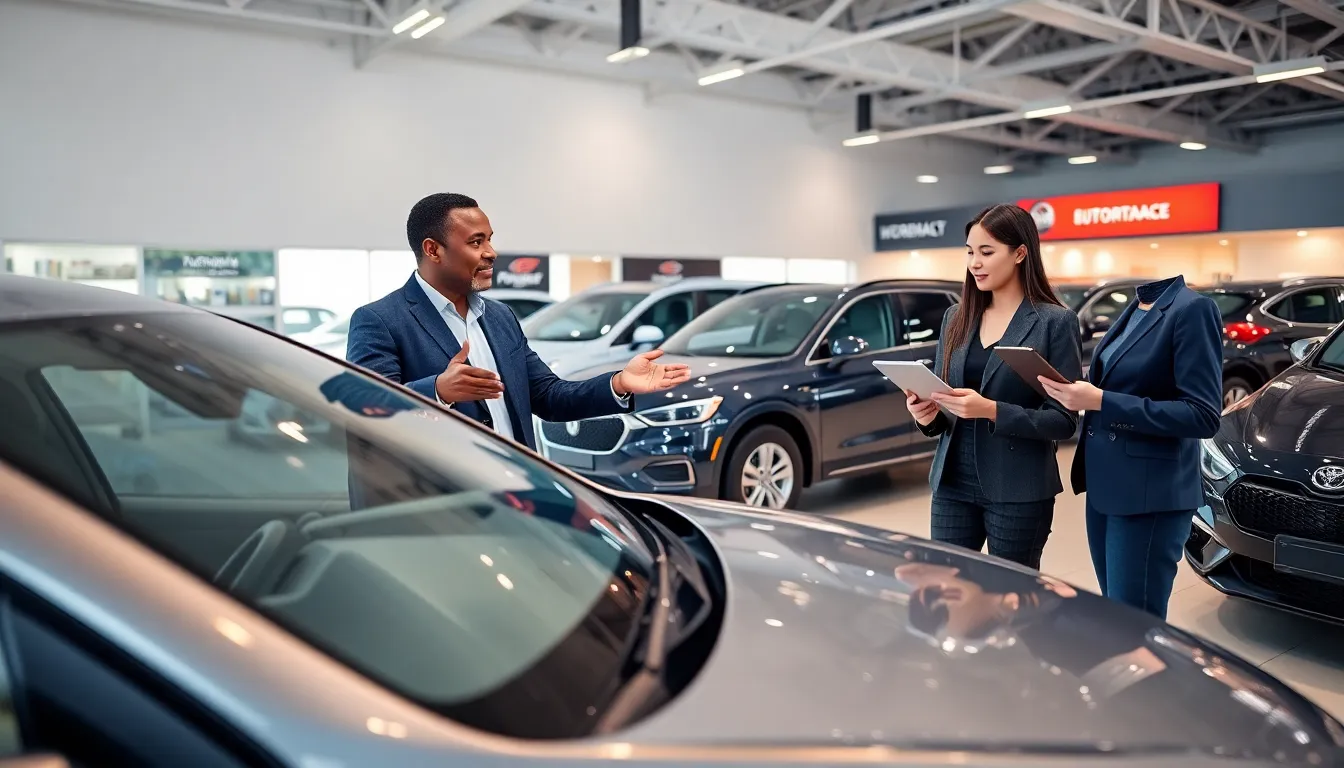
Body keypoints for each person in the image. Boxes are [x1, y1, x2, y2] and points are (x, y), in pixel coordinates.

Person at [347, 193, 691, 451]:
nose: (491, 252)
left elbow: (550, 396)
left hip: (515, 503)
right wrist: (437, 391)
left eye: (490, 239)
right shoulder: (379, 320)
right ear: (433, 250)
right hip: (437, 513)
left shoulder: (499, 317)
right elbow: (367, 412)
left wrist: (619, 383)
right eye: (475, 242)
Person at [904, 204, 1082, 570]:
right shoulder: (957, 317)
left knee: (1011, 604)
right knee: (948, 593)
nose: (975, 263)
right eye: (970, 252)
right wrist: (925, 416)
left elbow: (1064, 421)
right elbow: (942, 406)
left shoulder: (1054, 322)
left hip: (1018, 488)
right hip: (952, 483)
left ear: (1019, 253)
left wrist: (992, 410)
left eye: (987, 252)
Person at [1039, 276, 1222, 619]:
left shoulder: (1193, 309)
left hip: (1149, 492)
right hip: (1107, 484)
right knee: (1118, 616)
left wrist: (1102, 401)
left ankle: (1151, 675)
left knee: (1136, 622)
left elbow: (1202, 414)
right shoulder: (1137, 305)